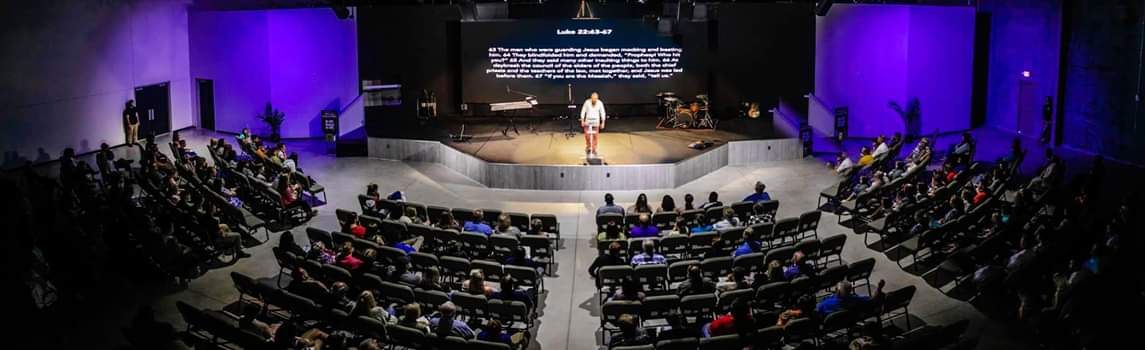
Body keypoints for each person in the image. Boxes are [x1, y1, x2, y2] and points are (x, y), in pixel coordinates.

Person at [816, 280, 886, 316]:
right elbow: (872, 300)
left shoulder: (825, 304)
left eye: (836, 288)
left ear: (837, 291)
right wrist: (879, 288)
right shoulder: (855, 299)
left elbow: (818, 310)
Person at [580, 92, 607, 157]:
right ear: (591, 98)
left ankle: (594, 149)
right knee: (587, 136)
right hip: (587, 122)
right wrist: (582, 120)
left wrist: (603, 122)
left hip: (596, 122)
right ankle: (589, 147)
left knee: (595, 136)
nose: (594, 100)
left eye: (595, 98)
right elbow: (583, 111)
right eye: (593, 98)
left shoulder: (600, 103)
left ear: (597, 98)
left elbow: (602, 112)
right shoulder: (587, 102)